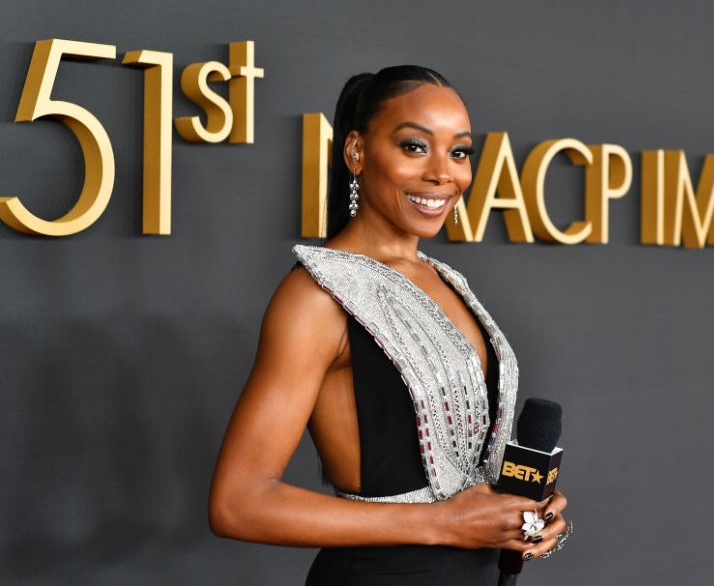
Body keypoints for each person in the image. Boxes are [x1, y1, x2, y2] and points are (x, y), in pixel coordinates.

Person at [208, 65, 571, 584]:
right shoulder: (316, 296)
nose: (444, 173)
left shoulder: (446, 279)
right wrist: (445, 523)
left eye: (460, 151)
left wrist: (524, 517)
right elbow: (238, 503)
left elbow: (466, 480)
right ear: (356, 151)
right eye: (415, 147)